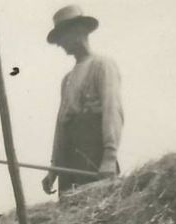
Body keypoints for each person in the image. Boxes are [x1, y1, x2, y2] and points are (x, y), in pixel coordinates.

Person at [41, 5, 124, 198]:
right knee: (70, 217)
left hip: (94, 156)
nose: (60, 43)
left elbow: (113, 111)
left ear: (79, 31)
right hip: (70, 161)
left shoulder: (102, 65)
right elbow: (61, 125)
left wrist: (109, 157)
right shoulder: (67, 79)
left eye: (62, 36)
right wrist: (54, 168)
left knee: (99, 213)